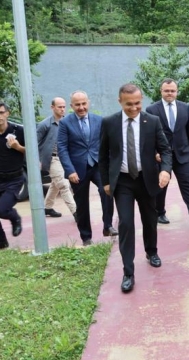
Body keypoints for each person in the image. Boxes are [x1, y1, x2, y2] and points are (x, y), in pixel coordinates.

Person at [99, 84, 172, 293]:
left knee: (150, 220)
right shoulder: (109, 123)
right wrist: (105, 181)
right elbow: (102, 155)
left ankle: (152, 252)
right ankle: (128, 272)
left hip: (147, 179)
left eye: (137, 103)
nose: (133, 108)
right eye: (129, 104)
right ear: (120, 101)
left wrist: (165, 170)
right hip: (122, 182)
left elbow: (165, 150)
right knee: (126, 223)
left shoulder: (152, 121)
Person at [57, 91, 117, 246]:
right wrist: (70, 170)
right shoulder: (65, 123)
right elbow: (62, 148)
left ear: (88, 103)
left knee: (107, 191)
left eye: (84, 103)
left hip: (98, 165)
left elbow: (106, 145)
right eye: (77, 104)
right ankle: (86, 237)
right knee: (82, 204)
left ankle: (108, 226)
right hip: (77, 170)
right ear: (72, 106)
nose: (81, 107)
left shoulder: (99, 120)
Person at [146, 79, 189, 229]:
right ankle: (160, 212)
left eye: (172, 91)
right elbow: (148, 135)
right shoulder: (152, 109)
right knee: (161, 185)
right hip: (162, 156)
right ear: (161, 91)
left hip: (183, 154)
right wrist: (154, 152)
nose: (169, 93)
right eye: (166, 91)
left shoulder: (184, 107)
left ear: (177, 91)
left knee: (188, 185)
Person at [37, 97, 77, 219]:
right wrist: (37, 160)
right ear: (52, 107)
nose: (62, 109)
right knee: (64, 185)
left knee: (56, 184)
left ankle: (47, 208)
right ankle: (76, 213)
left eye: (64, 106)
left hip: (66, 158)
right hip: (52, 159)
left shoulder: (68, 122)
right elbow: (34, 143)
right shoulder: (44, 124)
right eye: (59, 107)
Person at [0, 100, 24, 250]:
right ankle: (0, 243)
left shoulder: (18, 131)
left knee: (0, 209)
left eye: (1, 112)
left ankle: (15, 217)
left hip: (14, 178)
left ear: (7, 113)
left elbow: (32, 152)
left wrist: (17, 147)